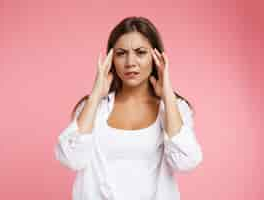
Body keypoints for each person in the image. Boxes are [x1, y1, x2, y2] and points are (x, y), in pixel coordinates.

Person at [54, 16, 203, 200]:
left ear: (156, 57)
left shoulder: (174, 108)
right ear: (110, 59)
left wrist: (167, 95)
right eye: (121, 53)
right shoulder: (94, 108)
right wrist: (95, 95)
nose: (130, 62)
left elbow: (186, 162)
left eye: (140, 52)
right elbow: (72, 159)